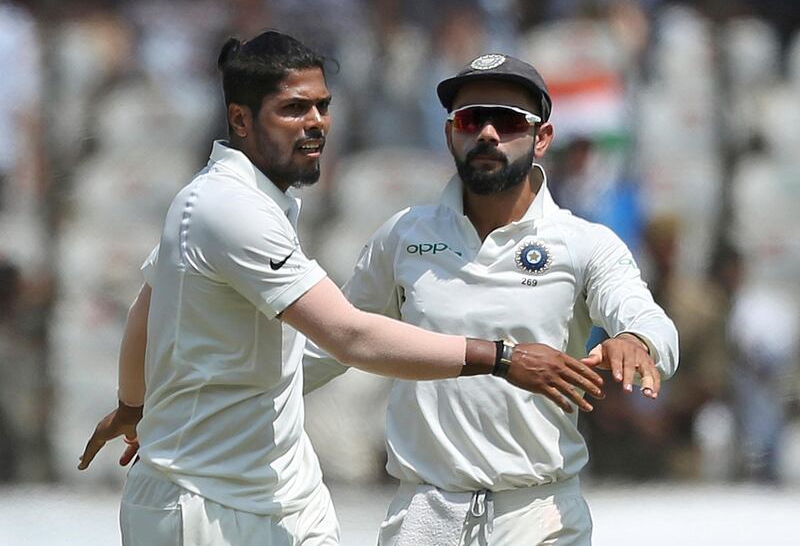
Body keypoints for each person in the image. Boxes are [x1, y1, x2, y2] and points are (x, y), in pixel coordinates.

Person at [77, 33, 607, 546]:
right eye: (293, 110)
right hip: (200, 501)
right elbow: (348, 335)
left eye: (322, 107)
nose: (315, 124)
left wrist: (132, 402)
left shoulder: (250, 201)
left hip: (275, 496)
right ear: (240, 119)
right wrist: (502, 358)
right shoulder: (226, 207)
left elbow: (149, 303)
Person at [303, 53, 679, 545]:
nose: (486, 134)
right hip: (424, 513)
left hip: (540, 513)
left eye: (506, 120)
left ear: (542, 138)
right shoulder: (402, 236)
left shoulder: (583, 242)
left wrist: (637, 340)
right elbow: (333, 343)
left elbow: (651, 322)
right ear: (448, 134)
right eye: (469, 119)